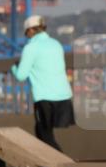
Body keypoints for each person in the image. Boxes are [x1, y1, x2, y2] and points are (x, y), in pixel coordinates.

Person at [11, 15, 74, 151]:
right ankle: (57, 165)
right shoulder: (56, 44)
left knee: (44, 134)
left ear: (31, 30)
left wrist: (14, 67)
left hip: (44, 98)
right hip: (63, 96)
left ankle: (63, 165)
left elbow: (21, 75)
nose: (27, 36)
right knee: (45, 133)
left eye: (26, 33)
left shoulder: (31, 47)